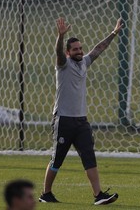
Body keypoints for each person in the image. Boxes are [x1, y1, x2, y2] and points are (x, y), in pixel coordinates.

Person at [39, 18, 123, 205]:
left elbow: (99, 48)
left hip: (81, 121)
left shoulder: (84, 62)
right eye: (75, 49)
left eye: (80, 48)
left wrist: (114, 32)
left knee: (89, 156)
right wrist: (61, 36)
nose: (79, 51)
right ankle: (46, 193)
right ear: (68, 53)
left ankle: (98, 195)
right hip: (63, 120)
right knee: (57, 159)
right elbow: (57, 52)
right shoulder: (63, 65)